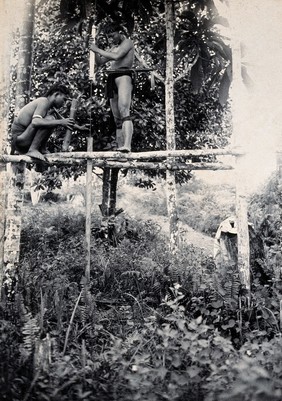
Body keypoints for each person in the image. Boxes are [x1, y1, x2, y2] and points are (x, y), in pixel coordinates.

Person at [90, 23, 134, 153]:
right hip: (112, 77)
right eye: (108, 37)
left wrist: (96, 49)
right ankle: (121, 147)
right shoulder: (114, 47)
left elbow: (117, 56)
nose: (111, 39)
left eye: (112, 36)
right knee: (117, 118)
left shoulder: (128, 43)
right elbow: (100, 62)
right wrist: (94, 48)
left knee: (124, 111)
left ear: (120, 32)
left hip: (124, 76)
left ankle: (127, 145)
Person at [11, 84, 75, 162]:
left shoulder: (51, 108)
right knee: (50, 119)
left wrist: (80, 128)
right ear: (56, 94)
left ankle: (41, 148)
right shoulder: (43, 101)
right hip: (21, 140)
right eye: (64, 99)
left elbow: (66, 122)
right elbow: (35, 122)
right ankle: (33, 149)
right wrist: (60, 122)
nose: (64, 104)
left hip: (26, 139)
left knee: (53, 120)